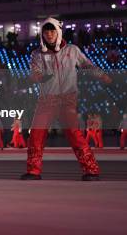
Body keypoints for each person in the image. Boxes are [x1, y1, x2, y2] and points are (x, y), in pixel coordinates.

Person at [22, 17, 112, 181]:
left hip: (67, 99)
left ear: (58, 31)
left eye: (52, 30)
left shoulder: (72, 50)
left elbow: (87, 64)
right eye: (46, 31)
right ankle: (33, 171)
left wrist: (102, 75)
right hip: (46, 100)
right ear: (42, 34)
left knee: (74, 134)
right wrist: (37, 77)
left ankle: (91, 170)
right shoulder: (37, 54)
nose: (49, 34)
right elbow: (34, 72)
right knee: (36, 134)